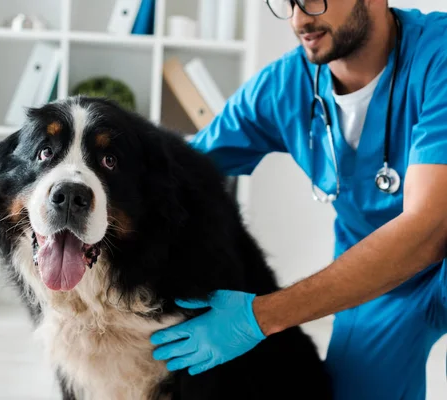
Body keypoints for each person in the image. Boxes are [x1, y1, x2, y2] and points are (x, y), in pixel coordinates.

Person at [150, 1, 447, 398]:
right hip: (380, 281)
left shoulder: (438, 55)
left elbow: (428, 230)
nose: (299, 19)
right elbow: (179, 175)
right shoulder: (286, 86)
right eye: (287, 2)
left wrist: (259, 317)